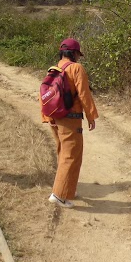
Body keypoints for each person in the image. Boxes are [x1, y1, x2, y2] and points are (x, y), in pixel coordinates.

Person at [42, 38, 98, 208]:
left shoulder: (55, 68)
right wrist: (91, 116)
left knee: (63, 154)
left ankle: (67, 191)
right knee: (71, 156)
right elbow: (84, 94)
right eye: (78, 54)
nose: (78, 58)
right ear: (74, 53)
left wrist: (47, 117)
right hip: (70, 120)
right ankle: (58, 195)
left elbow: (46, 94)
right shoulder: (76, 68)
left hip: (55, 118)